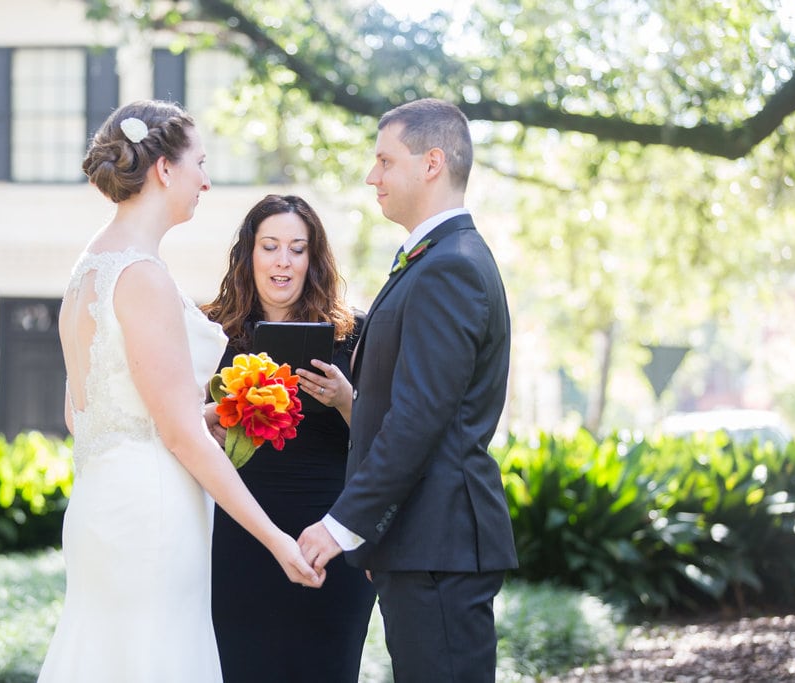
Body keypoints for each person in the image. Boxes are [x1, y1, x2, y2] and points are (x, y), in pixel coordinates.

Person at [37, 102, 320, 683]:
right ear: (164, 170)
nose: (206, 181)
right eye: (200, 164)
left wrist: (217, 413)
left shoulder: (88, 268)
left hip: (102, 503)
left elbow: (80, 411)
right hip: (152, 516)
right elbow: (179, 434)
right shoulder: (141, 275)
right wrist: (275, 539)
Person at [298, 98, 519, 683]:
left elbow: (419, 418)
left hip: (439, 547)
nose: (373, 176)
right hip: (420, 546)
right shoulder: (434, 258)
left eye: (385, 160)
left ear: (431, 163)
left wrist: (344, 525)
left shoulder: (451, 266)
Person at [201, 194, 375, 683]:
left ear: (313, 259)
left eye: (297, 249)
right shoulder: (212, 332)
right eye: (270, 246)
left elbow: (385, 440)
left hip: (330, 537)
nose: (283, 261)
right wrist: (214, 419)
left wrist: (345, 399)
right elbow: (184, 430)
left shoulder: (353, 332)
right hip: (238, 537)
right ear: (248, 254)